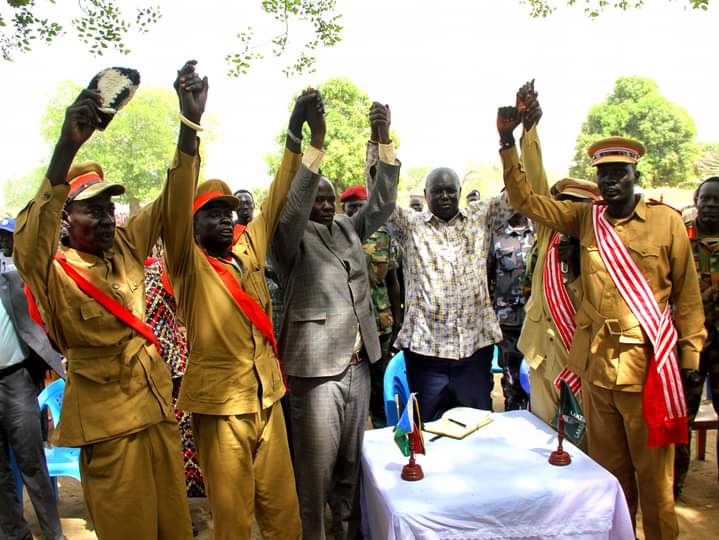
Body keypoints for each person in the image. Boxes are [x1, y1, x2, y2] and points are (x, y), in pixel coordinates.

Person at [13, 62, 201, 539]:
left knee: (174, 529)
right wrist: (66, 147)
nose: (104, 217)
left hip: (158, 411)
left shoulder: (127, 246)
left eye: (107, 207)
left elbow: (171, 202)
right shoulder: (50, 269)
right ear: (64, 218)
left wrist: (189, 127)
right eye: (90, 209)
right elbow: (30, 232)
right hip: (110, 428)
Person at [499, 105, 706, 538]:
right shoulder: (584, 219)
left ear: (635, 174)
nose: (610, 183)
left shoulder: (666, 223)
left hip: (649, 369)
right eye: (603, 176)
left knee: (655, 486)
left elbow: (687, 298)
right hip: (596, 369)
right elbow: (525, 200)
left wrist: (690, 363)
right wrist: (506, 142)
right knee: (610, 479)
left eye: (618, 174)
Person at [163, 81, 326, 540]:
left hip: (267, 398)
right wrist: (190, 127)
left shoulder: (249, 248)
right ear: (191, 225)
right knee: (233, 521)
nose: (225, 218)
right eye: (211, 212)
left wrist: (299, 135)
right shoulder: (187, 265)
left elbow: (279, 192)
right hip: (220, 409)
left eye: (229, 211)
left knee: (284, 515)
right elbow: (174, 204)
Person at [272, 102, 399, 540]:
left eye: (330, 199)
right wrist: (317, 144)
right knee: (315, 475)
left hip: (358, 365)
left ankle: (348, 534)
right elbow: (290, 210)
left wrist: (382, 140)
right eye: (318, 198)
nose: (326, 205)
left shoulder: (348, 228)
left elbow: (382, 203)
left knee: (350, 468)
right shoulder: (287, 240)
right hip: (315, 373)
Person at [384, 87, 539, 423]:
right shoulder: (410, 226)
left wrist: (512, 139)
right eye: (436, 191)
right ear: (424, 195)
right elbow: (380, 200)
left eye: (449, 190)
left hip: (474, 352)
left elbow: (519, 193)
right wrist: (382, 142)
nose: (443, 196)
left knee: (476, 432)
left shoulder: (481, 216)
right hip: (425, 355)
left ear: (458, 192)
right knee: (427, 435)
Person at [513, 85, 601, 427]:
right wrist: (528, 130)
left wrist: (579, 263)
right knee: (545, 438)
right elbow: (533, 184)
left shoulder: (600, 243)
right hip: (542, 355)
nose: (566, 211)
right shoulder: (547, 233)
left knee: (583, 444)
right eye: (561, 203)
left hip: (580, 358)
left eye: (575, 205)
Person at [0, 219, 66, 540]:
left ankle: (54, 534)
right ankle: (15, 534)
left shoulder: (13, 278)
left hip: (16, 381)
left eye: (6, 240)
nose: (3, 245)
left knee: (32, 462)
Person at [339, 184, 403, 427]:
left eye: (359, 207)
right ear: (344, 209)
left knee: (380, 383)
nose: (355, 212)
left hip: (381, 326)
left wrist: (398, 321)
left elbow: (393, 282)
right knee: (352, 386)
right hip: (348, 329)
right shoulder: (336, 238)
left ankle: (381, 430)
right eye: (350, 207)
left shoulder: (385, 237)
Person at [674, 175, 719, 496]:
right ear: (696, 201)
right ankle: (673, 484)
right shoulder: (682, 242)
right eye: (706, 199)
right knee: (680, 417)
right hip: (688, 345)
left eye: (717, 200)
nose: (711, 205)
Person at [488, 211, 534, 410]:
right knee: (512, 382)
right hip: (508, 323)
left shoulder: (540, 231)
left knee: (537, 379)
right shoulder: (495, 235)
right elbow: (486, 278)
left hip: (536, 322)